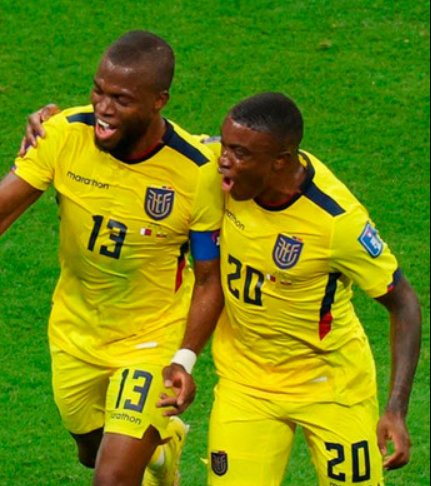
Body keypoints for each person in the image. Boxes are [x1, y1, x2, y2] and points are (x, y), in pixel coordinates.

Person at [0, 31, 224, 486]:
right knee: (92, 453)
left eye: (121, 99)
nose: (103, 108)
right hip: (76, 332)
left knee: (111, 477)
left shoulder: (197, 172)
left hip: (151, 338)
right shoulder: (64, 134)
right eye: (98, 91)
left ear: (158, 101)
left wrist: (184, 359)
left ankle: (148, 446)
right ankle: (162, 450)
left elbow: (209, 278)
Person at [158, 92, 420, 486]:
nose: (224, 159)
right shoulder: (221, 170)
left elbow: (404, 303)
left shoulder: (336, 222)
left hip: (331, 387)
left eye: (239, 153)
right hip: (246, 383)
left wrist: (396, 409)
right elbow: (148, 128)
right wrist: (61, 123)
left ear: (280, 160)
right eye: (225, 145)